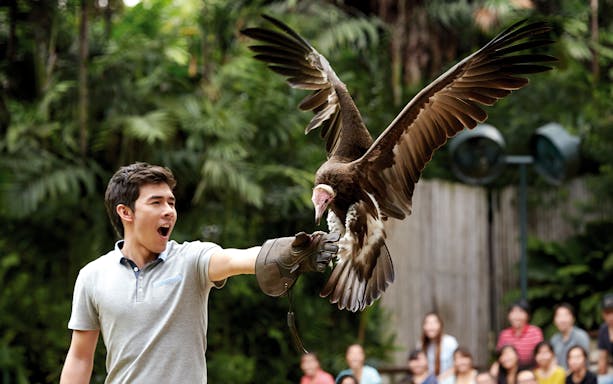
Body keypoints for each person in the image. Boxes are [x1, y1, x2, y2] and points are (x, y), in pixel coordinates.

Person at [59, 162, 339, 383]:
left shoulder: (191, 259)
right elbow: (81, 358)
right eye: (156, 202)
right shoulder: (92, 276)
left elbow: (235, 259)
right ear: (126, 212)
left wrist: (292, 249)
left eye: (171, 202)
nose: (169, 210)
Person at [496, 300, 544, 366]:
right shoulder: (504, 334)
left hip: (531, 369)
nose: (516, 316)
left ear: (528, 315)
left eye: (521, 312)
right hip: (510, 369)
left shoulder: (535, 332)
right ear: (508, 315)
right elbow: (500, 356)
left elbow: (540, 354)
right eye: (513, 312)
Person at [418, 312, 459, 378]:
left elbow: (457, 365)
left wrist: (439, 379)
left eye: (434, 323)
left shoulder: (450, 342)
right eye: (427, 323)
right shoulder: (422, 344)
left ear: (440, 325)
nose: (431, 326)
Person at [550, 303, 590, 370]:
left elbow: (584, 363)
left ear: (573, 318)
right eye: (559, 316)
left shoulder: (581, 336)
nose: (562, 320)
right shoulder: (554, 340)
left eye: (566, 315)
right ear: (554, 320)